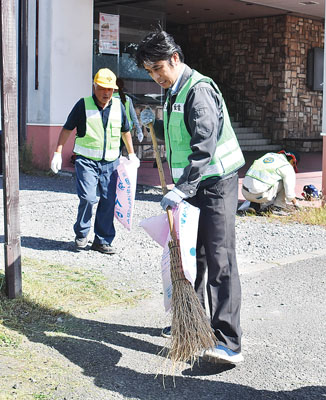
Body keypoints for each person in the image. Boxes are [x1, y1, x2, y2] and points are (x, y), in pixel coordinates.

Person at [135, 29, 245, 364]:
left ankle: (228, 341)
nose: (156, 77)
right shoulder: (172, 91)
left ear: (175, 59)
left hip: (215, 183)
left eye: (158, 69)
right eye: (150, 72)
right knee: (190, 256)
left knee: (219, 258)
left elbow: (205, 146)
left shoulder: (197, 90)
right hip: (192, 185)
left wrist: (183, 187)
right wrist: (180, 187)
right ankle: (193, 326)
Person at [50, 68, 139, 254]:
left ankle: (102, 240)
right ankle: (82, 233)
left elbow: (125, 131)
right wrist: (58, 152)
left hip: (111, 163)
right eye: (102, 88)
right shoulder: (83, 105)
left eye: (110, 89)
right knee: (89, 197)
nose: (106, 93)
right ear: (94, 87)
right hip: (86, 161)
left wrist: (131, 154)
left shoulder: (118, 106)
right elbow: (67, 129)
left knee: (108, 201)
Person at [241, 150, 301, 215]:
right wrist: (296, 204)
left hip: (245, 192)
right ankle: (278, 208)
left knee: (260, 181)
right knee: (284, 182)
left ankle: (254, 206)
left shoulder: (269, 155)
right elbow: (289, 194)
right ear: (292, 161)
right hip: (260, 195)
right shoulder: (287, 166)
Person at [113, 78, 144, 144]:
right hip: (126, 128)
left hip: (114, 128)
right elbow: (133, 116)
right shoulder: (127, 98)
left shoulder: (110, 98)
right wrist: (139, 131)